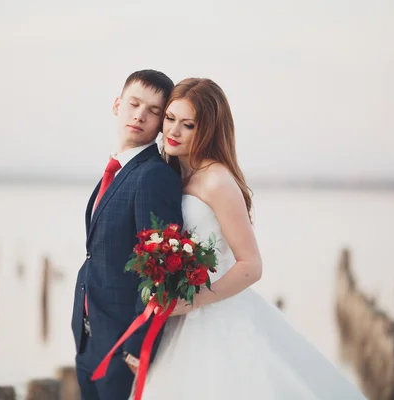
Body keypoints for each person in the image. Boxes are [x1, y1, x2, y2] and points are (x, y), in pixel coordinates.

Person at [131, 78, 367, 399]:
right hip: (178, 318)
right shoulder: (170, 174)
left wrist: (194, 300)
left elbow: (252, 265)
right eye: (170, 119)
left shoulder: (217, 181)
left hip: (214, 316)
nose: (173, 131)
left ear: (209, 130)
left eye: (187, 125)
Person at [71, 70, 184, 400]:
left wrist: (138, 346)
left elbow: (164, 266)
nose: (140, 115)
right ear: (117, 105)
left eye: (153, 111)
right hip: (89, 335)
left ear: (162, 122)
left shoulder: (154, 176)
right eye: (134, 104)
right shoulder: (117, 168)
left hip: (124, 347)